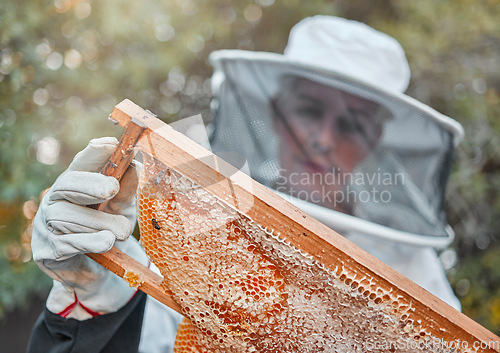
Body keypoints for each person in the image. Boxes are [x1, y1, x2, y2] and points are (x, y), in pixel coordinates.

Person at [28, 15, 463, 352]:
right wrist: (95, 295)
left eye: (351, 125)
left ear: (374, 142)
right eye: (309, 111)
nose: (323, 139)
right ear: (277, 115)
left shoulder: (413, 267)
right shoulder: (205, 223)